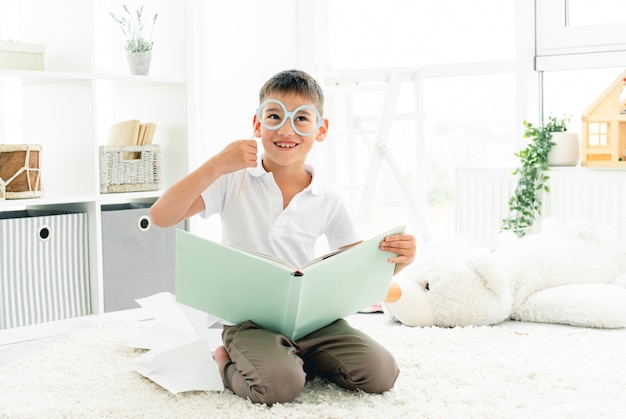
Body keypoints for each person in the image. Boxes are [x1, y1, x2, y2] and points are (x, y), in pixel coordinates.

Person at [150, 69, 417, 405]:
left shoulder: (328, 199)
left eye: (301, 118)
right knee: (277, 388)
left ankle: (295, 359)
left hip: (314, 323)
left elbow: (356, 271)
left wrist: (400, 261)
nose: (286, 129)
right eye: (274, 116)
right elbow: (161, 216)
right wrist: (218, 163)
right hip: (249, 323)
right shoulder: (234, 180)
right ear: (258, 124)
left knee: (381, 372)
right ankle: (223, 361)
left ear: (321, 130)